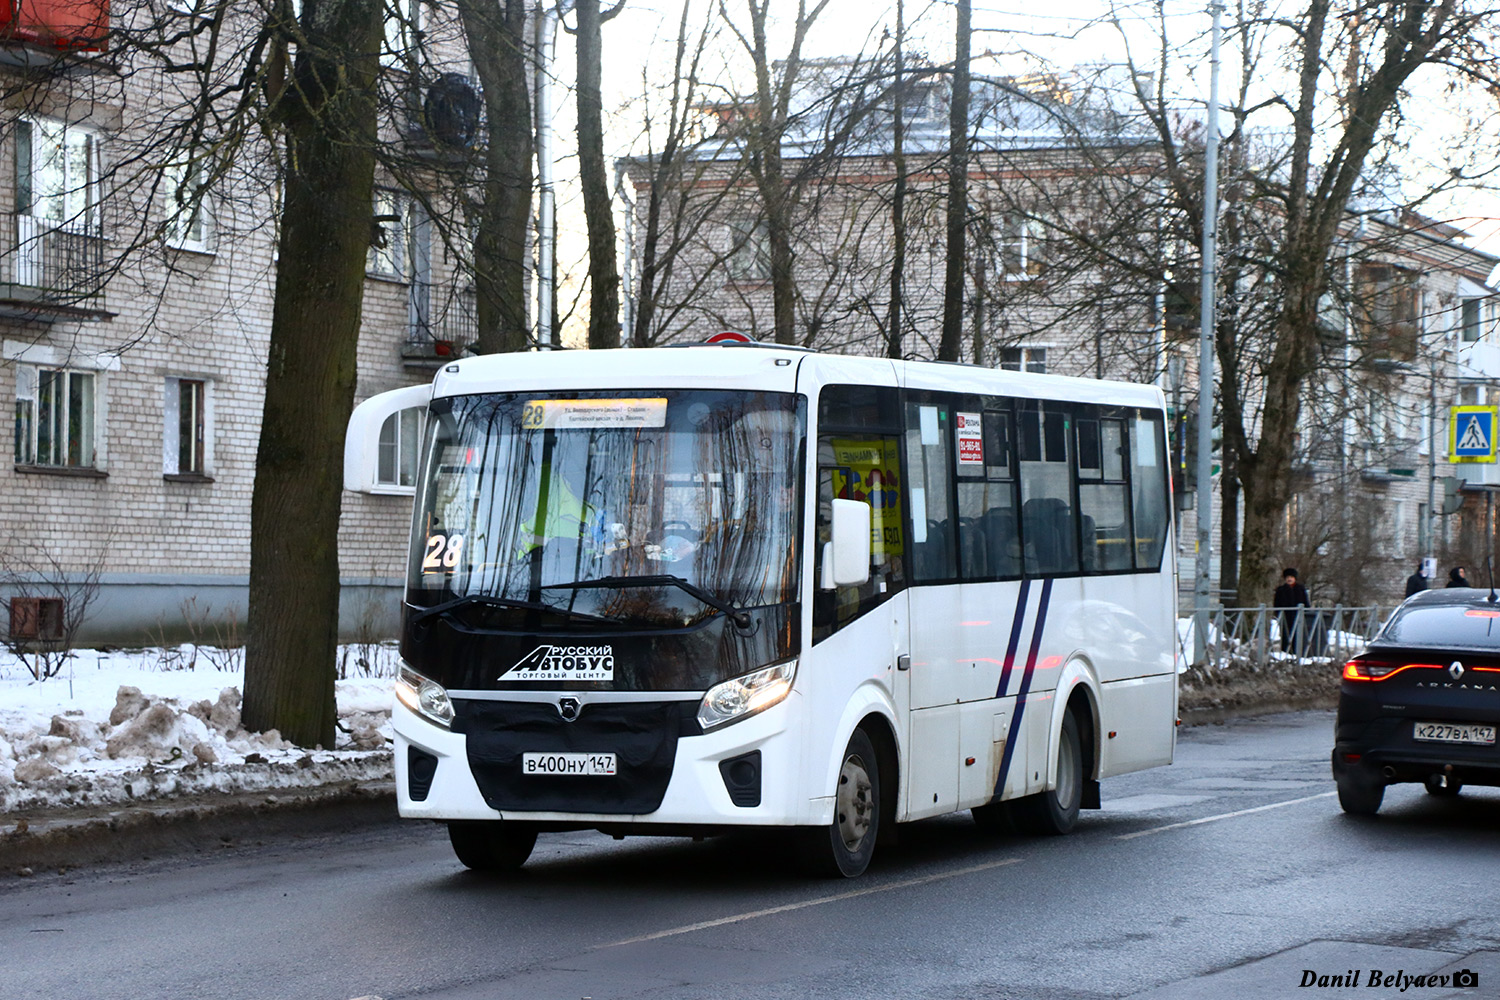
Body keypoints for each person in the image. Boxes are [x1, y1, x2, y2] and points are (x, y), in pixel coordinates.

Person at [1273, 568, 1311, 654]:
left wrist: (1306, 613)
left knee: (1298, 635)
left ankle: (1298, 653)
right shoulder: (1280, 590)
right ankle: (1285, 653)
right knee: (1285, 635)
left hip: (1299, 617)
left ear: (1295, 578)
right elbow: (1277, 604)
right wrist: (1278, 614)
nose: (1289, 579)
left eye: (1291, 577)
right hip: (1285, 616)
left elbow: (1306, 603)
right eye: (1287, 577)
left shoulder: (1300, 589)